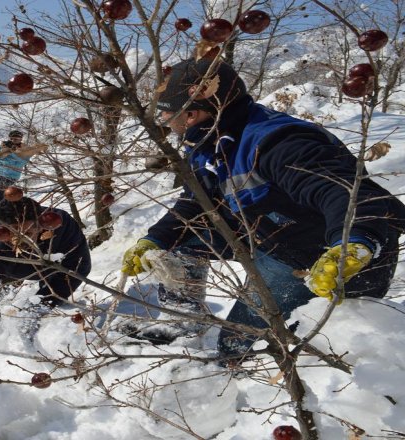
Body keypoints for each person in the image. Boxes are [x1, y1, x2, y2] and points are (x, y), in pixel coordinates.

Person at [120, 59, 404, 357]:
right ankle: (180, 323)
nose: (166, 121)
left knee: (237, 347)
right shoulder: (211, 140)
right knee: (178, 245)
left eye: (168, 114)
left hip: (324, 261)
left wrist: (353, 242)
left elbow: (348, 193)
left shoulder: (277, 142)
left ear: (192, 114)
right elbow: (197, 200)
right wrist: (156, 239)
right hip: (269, 231)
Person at [0, 197, 91, 329]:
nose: (20, 239)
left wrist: (44, 302)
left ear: (40, 226)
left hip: (53, 266)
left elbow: (78, 266)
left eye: (27, 232)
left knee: (47, 296)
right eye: (12, 232)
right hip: (11, 270)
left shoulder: (58, 224)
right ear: (0, 229)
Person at [0, 130, 48, 207]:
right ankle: (1, 208)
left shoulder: (25, 149)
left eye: (15, 139)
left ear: (20, 139)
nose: (12, 141)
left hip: (11, 175)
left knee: (2, 197)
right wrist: (1, 148)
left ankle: (2, 210)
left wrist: (12, 152)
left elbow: (22, 162)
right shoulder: (4, 145)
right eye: (11, 139)